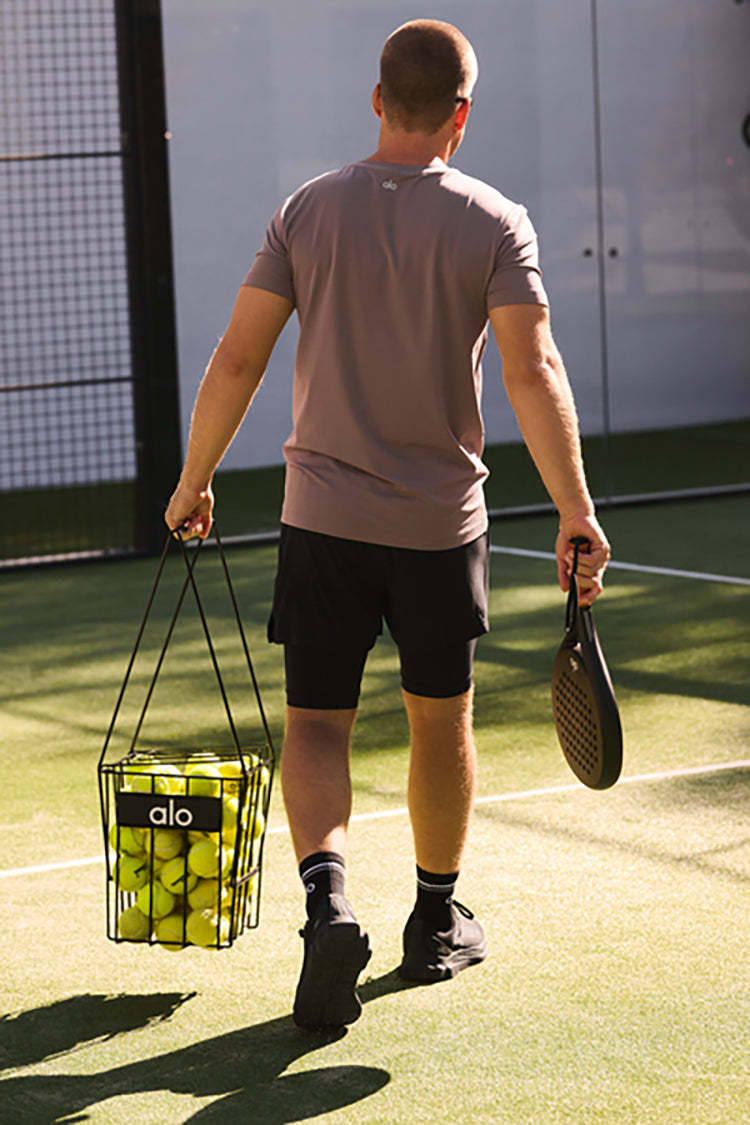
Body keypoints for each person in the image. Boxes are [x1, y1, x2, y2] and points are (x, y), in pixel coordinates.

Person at [165, 19, 610, 1031]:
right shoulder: (495, 221)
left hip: (321, 519)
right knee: (438, 720)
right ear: (462, 115)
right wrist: (576, 509)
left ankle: (327, 903)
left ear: (377, 100)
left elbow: (237, 358)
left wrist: (194, 481)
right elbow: (533, 370)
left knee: (318, 723)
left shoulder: (306, 210)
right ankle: (434, 920)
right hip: (438, 528)